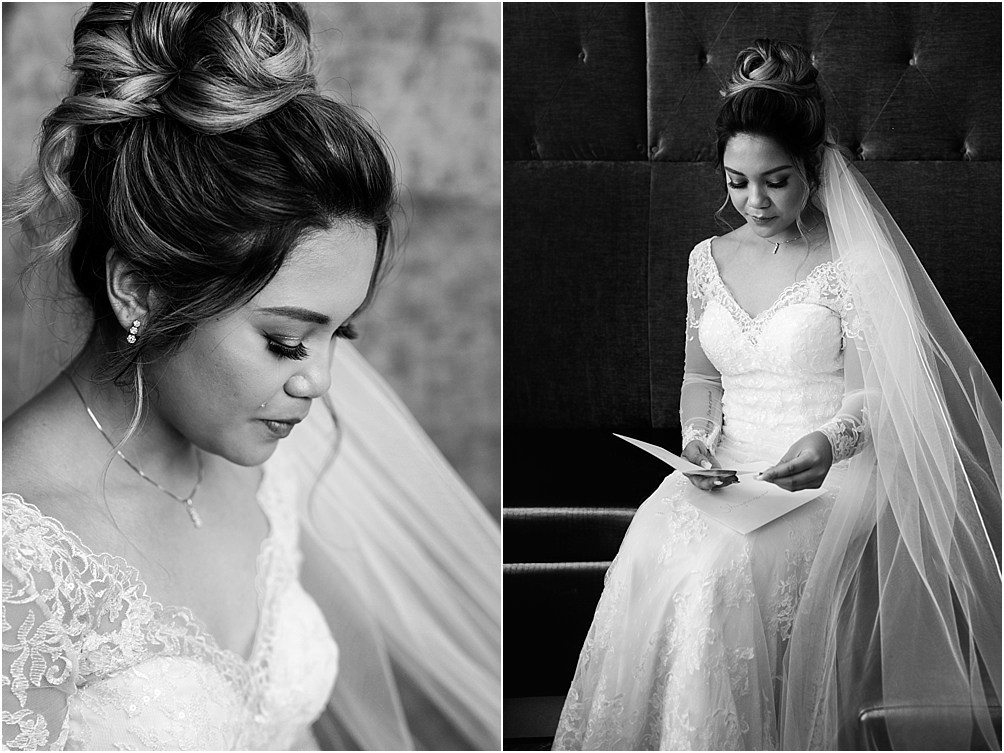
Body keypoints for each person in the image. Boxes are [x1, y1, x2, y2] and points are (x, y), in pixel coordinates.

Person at [1, 3, 500, 750]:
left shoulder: (273, 462)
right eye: (285, 339)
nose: (321, 381)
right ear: (141, 291)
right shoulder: (20, 562)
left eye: (341, 332)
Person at [553, 39, 1000, 751]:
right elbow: (700, 377)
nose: (754, 202)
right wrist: (697, 443)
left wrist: (828, 443)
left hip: (829, 474)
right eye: (736, 182)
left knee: (713, 572)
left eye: (776, 181)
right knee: (649, 543)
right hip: (727, 463)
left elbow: (874, 399)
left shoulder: (854, 263)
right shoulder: (707, 258)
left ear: (815, 170)